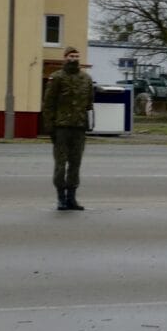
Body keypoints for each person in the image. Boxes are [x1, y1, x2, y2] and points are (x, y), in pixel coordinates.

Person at [40, 46, 94, 210]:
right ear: (65, 57)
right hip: (61, 127)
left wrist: (89, 123)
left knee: (75, 164)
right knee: (61, 164)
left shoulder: (86, 78)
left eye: (76, 56)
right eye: (71, 56)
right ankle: (61, 198)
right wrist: (49, 127)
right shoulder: (57, 77)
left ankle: (72, 198)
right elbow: (48, 104)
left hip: (79, 127)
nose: (74, 59)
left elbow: (89, 103)